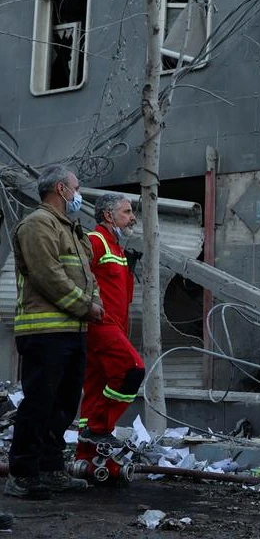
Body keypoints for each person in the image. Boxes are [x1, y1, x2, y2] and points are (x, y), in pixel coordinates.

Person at [6, 165, 102, 498]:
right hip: (44, 333)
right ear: (61, 189)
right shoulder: (37, 225)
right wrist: (86, 307)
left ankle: (49, 470)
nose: (80, 193)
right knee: (39, 403)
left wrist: (94, 304)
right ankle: (22, 474)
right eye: (77, 187)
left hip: (73, 332)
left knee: (63, 406)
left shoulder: (73, 231)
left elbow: (89, 277)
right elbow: (48, 275)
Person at [78, 193, 145, 448]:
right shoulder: (94, 241)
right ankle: (99, 427)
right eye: (127, 212)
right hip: (100, 326)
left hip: (114, 327)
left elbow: (122, 298)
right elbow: (77, 277)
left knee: (96, 388)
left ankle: (87, 458)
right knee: (132, 369)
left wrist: (128, 269)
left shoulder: (117, 248)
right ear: (108, 215)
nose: (132, 218)